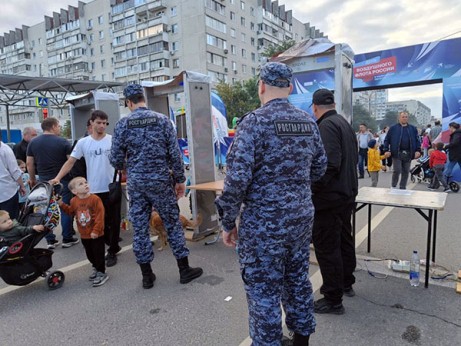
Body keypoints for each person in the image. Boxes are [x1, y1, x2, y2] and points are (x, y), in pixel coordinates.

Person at [216, 62, 327, 345]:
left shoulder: (253, 122)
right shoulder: (307, 122)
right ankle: (301, 340)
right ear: (289, 88)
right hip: (300, 220)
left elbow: (236, 181)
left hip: (264, 225)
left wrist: (228, 222)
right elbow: (320, 168)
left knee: (263, 291)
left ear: (261, 86)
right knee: (297, 280)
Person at [110, 83, 203, 289]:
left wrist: (131, 166)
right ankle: (184, 269)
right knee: (172, 223)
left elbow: (115, 160)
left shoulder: (123, 125)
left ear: (128, 102)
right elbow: (175, 154)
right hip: (161, 181)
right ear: (143, 98)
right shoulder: (162, 120)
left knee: (141, 228)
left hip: (137, 184)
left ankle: (147, 276)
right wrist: (180, 180)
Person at [51, 111, 121, 267]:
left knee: (113, 220)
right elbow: (70, 162)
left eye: (105, 123)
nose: (102, 126)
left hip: (112, 187)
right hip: (93, 190)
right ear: (92, 123)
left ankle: (113, 250)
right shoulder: (83, 143)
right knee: (97, 221)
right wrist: (57, 177)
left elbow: (125, 159)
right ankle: (106, 247)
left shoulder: (113, 141)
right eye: (99, 122)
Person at [311, 88, 358, 315]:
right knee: (343, 240)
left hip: (330, 199)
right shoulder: (344, 123)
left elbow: (329, 165)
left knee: (327, 247)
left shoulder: (325, 126)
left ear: (315, 107)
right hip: (346, 194)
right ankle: (346, 282)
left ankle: (332, 298)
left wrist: (312, 189)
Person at [26, 117, 79, 249]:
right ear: (54, 126)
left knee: (44, 209)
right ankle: (67, 238)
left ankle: (50, 240)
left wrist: (32, 179)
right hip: (62, 181)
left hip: (43, 182)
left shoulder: (33, 142)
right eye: (59, 126)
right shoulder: (63, 142)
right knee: (64, 208)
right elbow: (71, 161)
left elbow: (29, 163)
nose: (60, 129)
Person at [58, 177, 109, 287]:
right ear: (74, 191)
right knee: (90, 254)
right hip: (84, 234)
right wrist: (61, 204)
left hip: (96, 234)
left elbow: (100, 216)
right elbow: (71, 212)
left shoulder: (95, 199)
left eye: (86, 182)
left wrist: (96, 230)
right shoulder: (74, 201)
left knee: (98, 253)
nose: (85, 184)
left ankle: (101, 272)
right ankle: (95, 267)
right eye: (81, 184)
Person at [384, 111, 421, 189]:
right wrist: (386, 150)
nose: (404, 118)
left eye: (406, 117)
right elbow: (387, 140)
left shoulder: (412, 128)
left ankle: (402, 187)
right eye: (403, 117)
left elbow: (417, 140)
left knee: (406, 171)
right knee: (397, 170)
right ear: (399, 118)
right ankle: (393, 186)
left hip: (408, 153)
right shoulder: (393, 128)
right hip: (396, 153)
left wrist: (418, 150)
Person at [0, 141, 26, 220]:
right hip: (6, 192)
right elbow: (14, 171)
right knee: (11, 221)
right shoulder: (5, 149)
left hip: (6, 192)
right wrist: (22, 186)